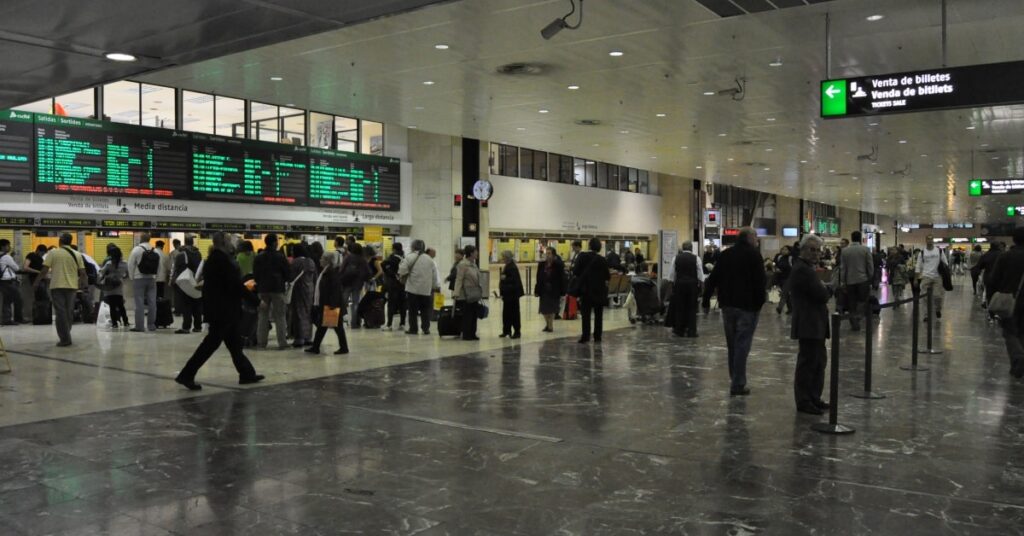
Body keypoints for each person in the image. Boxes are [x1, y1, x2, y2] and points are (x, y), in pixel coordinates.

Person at [175, 232, 264, 390]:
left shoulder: (214, 259)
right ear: (223, 242)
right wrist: (256, 301)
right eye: (230, 241)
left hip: (221, 309)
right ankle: (186, 374)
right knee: (210, 345)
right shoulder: (222, 261)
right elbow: (235, 285)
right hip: (223, 311)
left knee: (234, 344)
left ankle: (247, 373)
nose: (232, 244)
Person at [702, 227, 767, 396]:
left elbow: (713, 278)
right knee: (742, 345)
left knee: (733, 345)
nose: (757, 240)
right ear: (750, 237)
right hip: (747, 307)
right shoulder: (754, 255)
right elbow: (760, 281)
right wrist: (760, 303)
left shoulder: (726, 254)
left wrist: (706, 300)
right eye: (756, 237)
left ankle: (735, 379)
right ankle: (737, 383)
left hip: (728, 305)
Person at [788, 234, 832, 415]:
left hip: (815, 322)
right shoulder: (802, 270)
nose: (816, 254)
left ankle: (814, 396)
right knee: (808, 363)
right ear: (803, 250)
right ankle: (804, 400)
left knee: (818, 361)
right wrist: (827, 289)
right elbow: (821, 294)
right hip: (809, 322)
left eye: (818, 250)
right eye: (812, 250)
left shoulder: (808, 268)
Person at [33, 233, 85, 347]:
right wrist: (80, 284)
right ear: (70, 241)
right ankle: (66, 334)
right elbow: (82, 273)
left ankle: (65, 338)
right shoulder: (77, 254)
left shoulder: (53, 253)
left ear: (60, 241)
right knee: (69, 312)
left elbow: (44, 270)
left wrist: (36, 282)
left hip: (57, 286)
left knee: (60, 313)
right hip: (72, 287)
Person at [988, 228, 1024, 379]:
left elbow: (993, 280)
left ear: (1013, 239)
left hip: (1009, 301)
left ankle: (1018, 358)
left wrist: (991, 303)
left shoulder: (1005, 256)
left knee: (1009, 332)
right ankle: (1018, 362)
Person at [306, 250, 349, 355]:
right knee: (323, 326)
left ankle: (343, 348)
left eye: (322, 258)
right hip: (327, 303)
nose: (320, 260)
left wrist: (332, 305)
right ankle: (316, 347)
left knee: (336, 327)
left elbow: (335, 290)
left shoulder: (331, 273)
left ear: (327, 260)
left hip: (331, 304)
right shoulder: (326, 271)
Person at [253, 233, 291, 350]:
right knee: (280, 315)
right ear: (274, 243)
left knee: (262, 316)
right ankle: (282, 343)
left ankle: (261, 342)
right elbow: (287, 273)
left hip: (263, 289)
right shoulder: (280, 256)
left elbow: (255, 274)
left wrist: (260, 283)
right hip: (277, 289)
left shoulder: (258, 257)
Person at [398, 239, 440, 335]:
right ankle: (426, 328)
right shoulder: (429, 259)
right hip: (426, 290)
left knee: (412, 310)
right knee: (425, 310)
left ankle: (413, 329)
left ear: (413, 247)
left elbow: (402, 270)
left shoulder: (409, 257)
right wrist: (434, 286)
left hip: (412, 289)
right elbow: (434, 275)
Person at [574, 238, 610, 344]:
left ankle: (585, 336)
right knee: (598, 315)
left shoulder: (582, 256)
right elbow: (607, 276)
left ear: (589, 246)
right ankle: (597, 336)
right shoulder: (602, 260)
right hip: (599, 291)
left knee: (586, 315)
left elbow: (576, 271)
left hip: (586, 290)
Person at [839, 231, 874, 331]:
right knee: (862, 300)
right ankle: (857, 317)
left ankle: (853, 319)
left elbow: (843, 268)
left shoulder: (845, 251)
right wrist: (870, 277)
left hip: (850, 281)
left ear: (851, 238)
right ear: (860, 238)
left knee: (852, 301)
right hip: (863, 280)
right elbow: (870, 265)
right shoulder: (865, 249)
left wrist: (842, 281)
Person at [670, 241, 704, 338]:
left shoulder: (676, 258)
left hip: (679, 285)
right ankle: (691, 331)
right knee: (692, 308)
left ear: (683, 248)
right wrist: (701, 287)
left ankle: (679, 330)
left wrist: (672, 286)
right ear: (691, 248)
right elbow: (700, 275)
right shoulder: (696, 258)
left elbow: (672, 274)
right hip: (692, 286)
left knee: (680, 307)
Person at [126, 234, 159, 332]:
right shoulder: (154, 250)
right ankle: (151, 325)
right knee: (152, 302)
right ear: (149, 239)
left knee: (139, 302)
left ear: (141, 239)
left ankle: (139, 326)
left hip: (139, 278)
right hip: (152, 279)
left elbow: (130, 264)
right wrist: (155, 277)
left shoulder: (136, 249)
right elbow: (158, 266)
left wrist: (131, 277)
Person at [172, 236, 203, 334]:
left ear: (185, 242)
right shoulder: (198, 253)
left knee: (186, 304)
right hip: (195, 280)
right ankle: (198, 326)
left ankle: (186, 327)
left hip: (185, 281)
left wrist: (173, 280)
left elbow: (176, 268)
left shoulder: (181, 254)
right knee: (196, 304)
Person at [453, 245, 483, 340]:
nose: (477, 253)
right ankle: (467, 334)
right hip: (466, 294)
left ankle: (473, 333)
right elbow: (459, 279)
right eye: (476, 252)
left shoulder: (474, 264)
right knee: (468, 315)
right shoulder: (462, 265)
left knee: (474, 314)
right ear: (471, 253)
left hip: (474, 293)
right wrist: (456, 293)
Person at [289, 243, 317, 346]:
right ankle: (308, 337)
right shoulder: (311, 261)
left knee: (298, 313)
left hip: (298, 289)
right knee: (308, 313)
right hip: (310, 289)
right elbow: (315, 277)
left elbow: (291, 276)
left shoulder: (295, 262)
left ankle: (299, 338)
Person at [915, 236, 946, 321]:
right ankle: (926, 315)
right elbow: (918, 265)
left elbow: (945, 262)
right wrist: (916, 279)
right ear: (926, 240)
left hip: (937, 276)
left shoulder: (939, 251)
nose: (930, 240)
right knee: (924, 297)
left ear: (933, 240)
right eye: (928, 239)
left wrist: (945, 274)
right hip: (926, 276)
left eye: (931, 239)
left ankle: (938, 309)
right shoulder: (922, 253)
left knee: (938, 296)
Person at [98, 245, 130, 328]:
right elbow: (127, 274)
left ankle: (114, 323)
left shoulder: (109, 264)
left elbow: (101, 272)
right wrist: (122, 277)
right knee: (121, 305)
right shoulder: (125, 263)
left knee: (112, 306)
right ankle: (126, 321)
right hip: (119, 285)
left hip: (110, 286)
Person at [535, 247, 566, 333]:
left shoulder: (558, 265)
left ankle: (550, 326)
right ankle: (548, 324)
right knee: (544, 309)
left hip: (554, 289)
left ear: (553, 255)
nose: (547, 255)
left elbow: (562, 278)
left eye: (549, 253)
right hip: (543, 289)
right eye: (546, 253)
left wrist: (563, 291)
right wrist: (537, 290)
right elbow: (538, 278)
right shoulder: (541, 265)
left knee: (552, 308)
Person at [340, 243, 370, 329]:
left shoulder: (348, 257)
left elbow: (341, 269)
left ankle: (339, 321)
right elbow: (367, 272)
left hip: (347, 283)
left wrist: (340, 278)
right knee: (355, 303)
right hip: (358, 284)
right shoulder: (363, 259)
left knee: (343, 302)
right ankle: (354, 323)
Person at [498, 250, 524, 339]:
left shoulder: (512, 267)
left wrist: (504, 278)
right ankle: (506, 330)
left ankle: (517, 332)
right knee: (506, 313)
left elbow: (513, 281)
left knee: (514, 314)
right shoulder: (508, 266)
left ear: (507, 258)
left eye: (503, 257)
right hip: (508, 295)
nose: (502, 259)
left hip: (512, 295)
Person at [381, 243, 406, 331]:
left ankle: (389, 324)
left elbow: (383, 264)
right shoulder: (404, 258)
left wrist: (390, 273)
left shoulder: (392, 258)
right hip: (402, 284)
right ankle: (402, 323)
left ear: (394, 249)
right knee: (402, 304)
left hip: (393, 284)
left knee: (391, 304)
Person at [0, 239, 24, 325]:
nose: (9, 247)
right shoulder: (6, 257)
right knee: (18, 300)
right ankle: (18, 319)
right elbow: (16, 268)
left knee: (7, 301)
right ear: (3, 247)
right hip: (9, 282)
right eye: (8, 245)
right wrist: (11, 258)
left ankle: (7, 319)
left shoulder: (3, 256)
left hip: (2, 282)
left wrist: (11, 257)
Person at [774, 246, 793, 315]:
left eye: (785, 249)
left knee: (784, 293)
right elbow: (776, 264)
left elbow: (793, 267)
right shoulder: (780, 257)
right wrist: (776, 269)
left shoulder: (791, 258)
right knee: (786, 294)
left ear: (789, 251)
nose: (783, 251)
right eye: (783, 249)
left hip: (788, 278)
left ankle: (780, 307)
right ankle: (791, 308)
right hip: (781, 278)